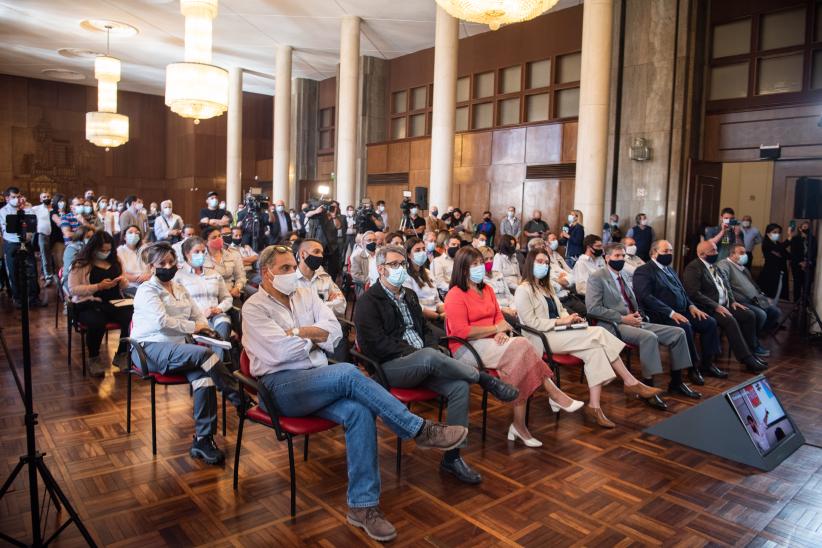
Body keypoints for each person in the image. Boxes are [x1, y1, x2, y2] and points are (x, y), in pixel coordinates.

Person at [242, 244, 467, 542]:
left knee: (360, 412)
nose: (292, 274)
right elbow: (278, 352)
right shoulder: (254, 307)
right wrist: (312, 335)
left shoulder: (305, 294)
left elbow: (334, 333)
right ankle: (418, 429)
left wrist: (301, 334)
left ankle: (363, 507)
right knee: (348, 372)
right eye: (284, 269)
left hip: (317, 378)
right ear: (265, 273)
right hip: (281, 387)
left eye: (291, 268)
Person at [355, 245, 518, 483]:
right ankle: (484, 379)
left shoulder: (409, 295)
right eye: (394, 265)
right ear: (380, 269)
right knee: (430, 357)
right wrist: (420, 353)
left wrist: (429, 348)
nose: (401, 269)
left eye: (403, 264)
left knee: (459, 386)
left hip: (424, 361)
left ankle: (452, 457)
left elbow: (425, 329)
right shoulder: (368, 301)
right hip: (392, 366)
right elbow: (375, 345)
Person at [445, 246, 583, 447]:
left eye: (481, 263)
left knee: (521, 363)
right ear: (463, 269)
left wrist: (500, 331)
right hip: (466, 348)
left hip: (493, 342)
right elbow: (460, 332)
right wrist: (494, 328)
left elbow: (499, 318)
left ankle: (520, 425)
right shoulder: (455, 294)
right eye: (473, 265)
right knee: (522, 345)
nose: (479, 268)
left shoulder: (488, 289)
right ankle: (552, 395)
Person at [516, 249, 664, 427]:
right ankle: (630, 381)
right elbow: (530, 322)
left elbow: (561, 310)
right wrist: (560, 322)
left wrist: (570, 318)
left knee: (595, 350)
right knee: (600, 333)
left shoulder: (547, 286)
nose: (544, 265)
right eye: (540, 261)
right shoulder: (523, 289)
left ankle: (594, 407)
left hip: (561, 332)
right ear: (530, 263)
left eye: (547, 262)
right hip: (541, 337)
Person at [131, 242, 243, 465]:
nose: (168, 266)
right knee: (205, 356)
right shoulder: (147, 290)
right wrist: (195, 328)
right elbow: (162, 322)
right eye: (162, 263)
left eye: (171, 262)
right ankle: (237, 396)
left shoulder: (179, 288)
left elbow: (197, 315)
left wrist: (205, 328)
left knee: (204, 380)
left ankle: (203, 439)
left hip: (179, 349)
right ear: (152, 266)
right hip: (149, 349)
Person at [586, 244, 699, 401]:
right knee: (649, 337)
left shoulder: (623, 275)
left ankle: (677, 382)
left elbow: (632, 300)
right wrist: (622, 318)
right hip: (612, 325)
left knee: (679, 332)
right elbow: (593, 309)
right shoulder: (597, 277)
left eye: (623, 256)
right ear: (607, 258)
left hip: (633, 320)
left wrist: (639, 314)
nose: (621, 259)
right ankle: (647, 387)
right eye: (616, 256)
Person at [632, 240, 733, 385]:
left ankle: (708, 364)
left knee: (709, 322)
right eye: (665, 251)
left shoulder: (670, 269)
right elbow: (646, 297)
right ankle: (690, 371)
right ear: (654, 253)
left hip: (683, 310)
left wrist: (692, 306)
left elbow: (683, 292)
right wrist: (671, 313)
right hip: (660, 315)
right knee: (685, 328)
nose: (669, 254)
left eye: (671, 251)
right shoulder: (644, 270)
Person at [683, 241, 768, 373]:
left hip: (725, 304)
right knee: (730, 320)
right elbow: (693, 293)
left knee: (748, 314)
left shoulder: (714, 266)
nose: (716, 253)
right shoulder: (693, 268)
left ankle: (752, 352)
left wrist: (732, 301)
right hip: (707, 307)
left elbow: (726, 285)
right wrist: (716, 306)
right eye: (712, 251)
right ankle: (746, 359)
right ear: (701, 254)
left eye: (716, 250)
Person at [67, 230, 132, 375]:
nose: (106, 253)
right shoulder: (81, 264)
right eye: (102, 250)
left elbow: (124, 281)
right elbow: (73, 289)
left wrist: (122, 282)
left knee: (132, 318)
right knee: (97, 322)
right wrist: (98, 287)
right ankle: (94, 357)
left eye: (109, 250)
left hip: (114, 301)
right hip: (89, 303)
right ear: (93, 248)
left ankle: (122, 353)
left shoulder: (115, 260)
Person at [175, 236, 234, 361]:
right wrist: (201, 315)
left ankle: (216, 365)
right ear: (187, 253)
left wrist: (218, 308)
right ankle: (218, 367)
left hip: (215, 316)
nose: (201, 255)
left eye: (203, 252)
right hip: (194, 320)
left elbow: (227, 298)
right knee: (216, 333)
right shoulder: (179, 277)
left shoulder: (214, 274)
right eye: (196, 252)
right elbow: (177, 305)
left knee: (224, 321)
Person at [718, 243, 780, 349]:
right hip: (739, 301)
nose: (745, 255)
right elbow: (724, 284)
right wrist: (733, 299)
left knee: (775, 312)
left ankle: (753, 337)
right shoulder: (725, 264)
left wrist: (763, 297)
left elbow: (754, 286)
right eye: (741, 253)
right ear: (732, 254)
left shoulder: (743, 268)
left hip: (755, 299)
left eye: (745, 252)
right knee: (761, 314)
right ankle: (751, 343)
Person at [1, 186, 46, 307]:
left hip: (26, 242)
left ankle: (33, 298)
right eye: (13, 197)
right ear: (7, 198)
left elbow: (33, 223)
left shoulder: (27, 208)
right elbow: (8, 228)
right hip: (11, 243)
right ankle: (17, 298)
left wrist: (25, 208)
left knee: (32, 270)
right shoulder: (3, 211)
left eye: (18, 196)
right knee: (13, 271)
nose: (17, 199)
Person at [296, 238, 346, 316]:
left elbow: (341, 306)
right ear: (303, 254)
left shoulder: (325, 278)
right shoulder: (291, 280)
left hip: (326, 325)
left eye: (321, 253)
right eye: (316, 251)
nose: (320, 256)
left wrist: (311, 308)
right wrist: (326, 303)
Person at [404, 237, 446, 325]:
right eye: (417, 250)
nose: (422, 253)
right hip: (422, 319)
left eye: (423, 249)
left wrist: (448, 312)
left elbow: (437, 302)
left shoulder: (428, 273)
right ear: (408, 254)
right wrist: (439, 317)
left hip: (437, 315)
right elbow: (417, 307)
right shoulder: (405, 276)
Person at [543, 233, 586, 316]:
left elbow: (571, 273)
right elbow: (552, 280)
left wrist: (564, 279)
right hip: (557, 294)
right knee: (576, 316)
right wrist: (560, 280)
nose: (556, 241)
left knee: (585, 310)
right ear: (546, 242)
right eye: (553, 239)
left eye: (556, 238)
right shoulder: (544, 258)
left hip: (568, 290)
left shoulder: (557, 255)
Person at [203, 226, 245, 300]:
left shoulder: (233, 254)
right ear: (206, 242)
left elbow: (240, 276)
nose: (218, 239)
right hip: (209, 296)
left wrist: (237, 288)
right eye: (214, 237)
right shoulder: (201, 257)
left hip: (231, 293)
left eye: (219, 236)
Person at [480, 246, 516, 319]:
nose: (489, 261)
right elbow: (485, 302)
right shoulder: (479, 279)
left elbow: (508, 295)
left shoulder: (499, 274)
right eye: (486, 259)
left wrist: (514, 308)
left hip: (509, 307)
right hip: (495, 311)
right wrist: (501, 309)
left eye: (491, 258)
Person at [758, 223, 790, 300]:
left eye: (778, 232)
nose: (777, 234)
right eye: (774, 232)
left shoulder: (778, 243)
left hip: (780, 270)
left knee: (779, 294)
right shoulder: (766, 243)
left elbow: (786, 255)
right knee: (769, 294)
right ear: (768, 233)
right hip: (770, 272)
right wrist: (788, 239)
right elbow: (778, 249)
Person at [117, 225, 151, 297]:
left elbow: (152, 267)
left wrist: (148, 275)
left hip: (148, 282)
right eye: (130, 232)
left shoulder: (144, 249)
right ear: (124, 237)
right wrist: (138, 278)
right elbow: (121, 274)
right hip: (130, 285)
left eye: (137, 233)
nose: (134, 235)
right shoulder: (120, 251)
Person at [62, 226, 96, 295]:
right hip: (70, 282)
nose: (91, 240)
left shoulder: (94, 249)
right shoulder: (71, 249)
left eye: (92, 237)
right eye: (88, 237)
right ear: (80, 237)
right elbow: (71, 270)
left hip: (87, 279)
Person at [31, 191, 54, 286]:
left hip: (55, 235)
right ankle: (48, 276)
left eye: (48, 196)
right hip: (43, 235)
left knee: (55, 256)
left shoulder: (55, 208)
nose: (46, 198)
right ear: (40, 199)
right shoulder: (36, 208)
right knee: (45, 256)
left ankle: (56, 273)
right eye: (44, 197)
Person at [789, 220, 816, 302]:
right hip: (797, 265)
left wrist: (807, 262)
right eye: (804, 227)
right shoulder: (795, 239)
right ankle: (796, 304)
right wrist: (800, 263)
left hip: (808, 265)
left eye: (808, 228)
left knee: (806, 286)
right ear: (800, 229)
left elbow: (814, 251)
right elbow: (793, 253)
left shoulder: (813, 239)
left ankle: (805, 305)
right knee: (797, 285)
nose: (806, 229)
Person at [350, 230, 378, 296]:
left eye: (374, 240)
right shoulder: (357, 257)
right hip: (366, 286)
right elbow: (356, 275)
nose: (372, 242)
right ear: (363, 242)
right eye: (369, 240)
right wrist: (371, 280)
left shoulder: (380, 256)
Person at [49, 193, 67, 272]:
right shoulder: (53, 212)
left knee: (66, 262)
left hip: (67, 240)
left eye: (63, 201)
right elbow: (60, 224)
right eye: (60, 201)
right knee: (59, 263)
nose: (62, 203)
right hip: (58, 240)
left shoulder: (67, 212)